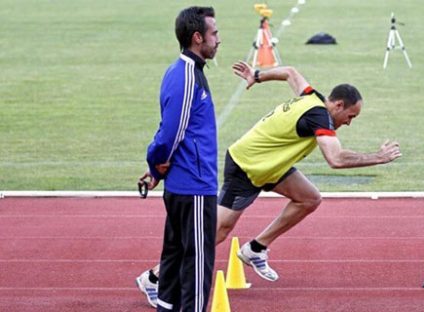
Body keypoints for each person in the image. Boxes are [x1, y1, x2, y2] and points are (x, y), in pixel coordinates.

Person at [136, 60, 401, 306]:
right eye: (351, 116)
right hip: (246, 165)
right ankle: (154, 278)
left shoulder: (311, 97)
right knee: (215, 232)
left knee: (309, 198)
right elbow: (336, 158)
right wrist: (377, 157)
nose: (349, 123)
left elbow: (291, 73)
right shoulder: (319, 116)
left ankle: (255, 248)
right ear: (339, 105)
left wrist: (257, 75)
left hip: (271, 167)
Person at [134, 6, 220, 311]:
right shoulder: (185, 76)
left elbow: (171, 128)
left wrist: (156, 171)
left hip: (184, 185)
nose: (218, 39)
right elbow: (171, 132)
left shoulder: (187, 71)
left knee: (172, 264)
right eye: (214, 33)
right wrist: (153, 163)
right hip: (194, 187)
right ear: (197, 37)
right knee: (196, 270)